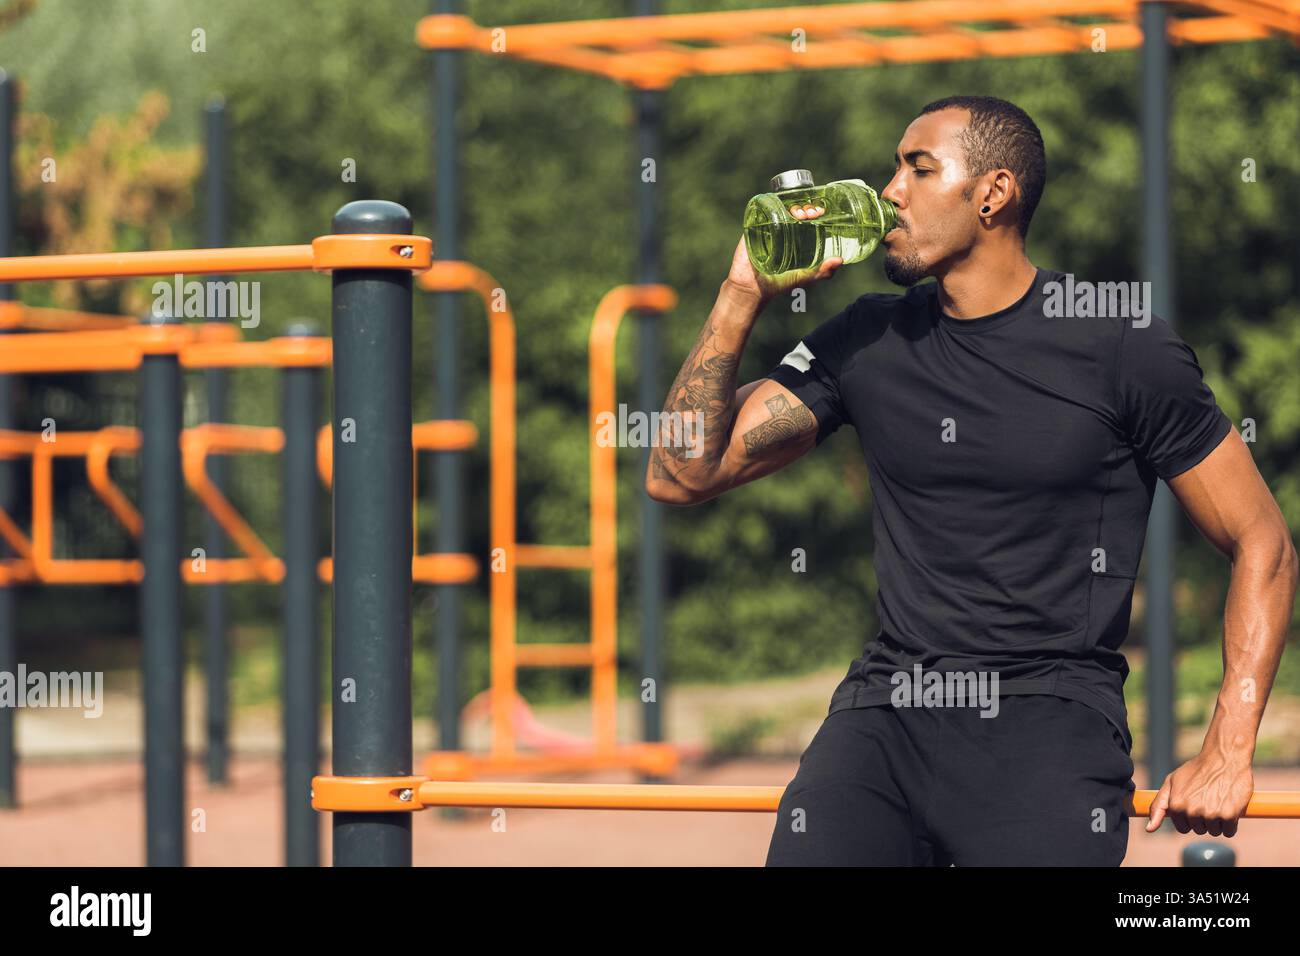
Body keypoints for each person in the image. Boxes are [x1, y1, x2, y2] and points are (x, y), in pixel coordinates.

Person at [645, 95, 1298, 866]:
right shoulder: (868, 338)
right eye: (896, 168)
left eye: (919, 168)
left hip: (1049, 717)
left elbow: (1263, 540)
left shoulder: (1118, 344)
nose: (891, 191)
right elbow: (679, 473)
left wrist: (1228, 743)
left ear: (993, 193)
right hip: (887, 710)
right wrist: (742, 292)